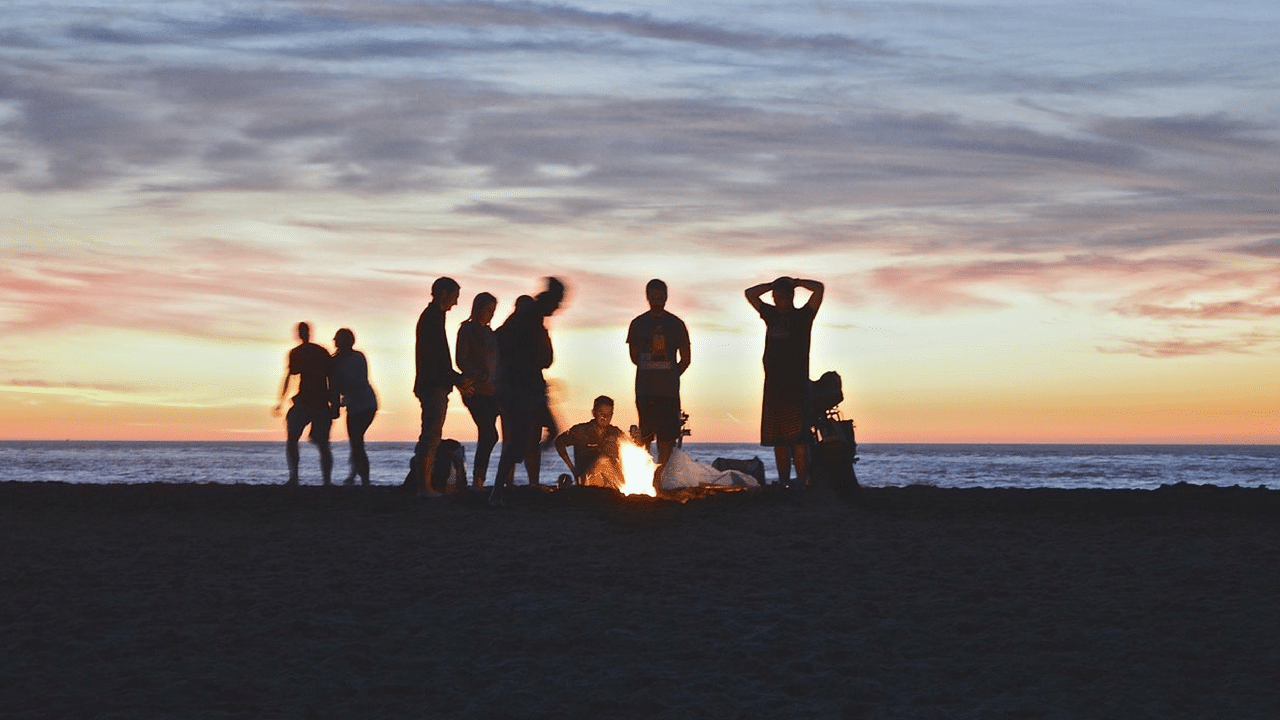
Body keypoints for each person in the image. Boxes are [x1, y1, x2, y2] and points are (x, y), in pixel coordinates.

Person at [490, 278, 566, 506]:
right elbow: (541, 357)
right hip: (521, 388)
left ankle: (520, 462)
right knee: (518, 443)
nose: (559, 308)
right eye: (558, 303)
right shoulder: (527, 319)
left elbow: (543, 357)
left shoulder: (532, 320)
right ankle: (497, 491)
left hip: (529, 387)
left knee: (550, 432)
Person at [745, 276, 824, 489]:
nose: (778, 299)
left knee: (799, 439)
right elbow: (750, 293)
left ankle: (801, 480)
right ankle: (783, 481)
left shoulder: (803, 316)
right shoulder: (770, 315)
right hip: (773, 386)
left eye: (782, 295)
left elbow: (819, 289)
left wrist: (797, 282)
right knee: (777, 439)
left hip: (796, 386)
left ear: (791, 296)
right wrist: (771, 285)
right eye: (775, 296)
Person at [407, 277, 471, 495]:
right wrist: (456, 378)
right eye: (454, 297)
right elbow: (437, 358)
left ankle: (423, 485)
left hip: (433, 382)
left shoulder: (434, 317)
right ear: (444, 293)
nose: (455, 303)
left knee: (431, 434)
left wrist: (454, 379)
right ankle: (423, 487)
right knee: (431, 435)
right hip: (433, 384)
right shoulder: (432, 317)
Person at [626, 278, 690, 488]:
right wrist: (652, 367)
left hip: (669, 392)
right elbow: (634, 357)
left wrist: (671, 374)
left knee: (667, 438)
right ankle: (644, 478)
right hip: (645, 390)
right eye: (653, 296)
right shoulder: (638, 324)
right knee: (645, 437)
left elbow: (686, 359)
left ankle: (660, 480)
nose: (657, 300)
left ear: (666, 297)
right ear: (647, 297)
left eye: (660, 296)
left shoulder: (676, 324)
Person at [274, 322, 337, 486]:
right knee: (293, 438)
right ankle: (295, 477)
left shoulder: (319, 352)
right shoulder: (297, 353)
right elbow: (290, 376)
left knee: (322, 443)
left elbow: (331, 377)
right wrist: (280, 401)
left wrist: (334, 402)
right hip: (304, 401)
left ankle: (326, 481)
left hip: (319, 402)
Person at [456, 292, 500, 489]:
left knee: (488, 434)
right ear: (478, 308)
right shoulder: (467, 330)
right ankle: (477, 480)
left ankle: (480, 481)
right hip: (475, 390)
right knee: (490, 434)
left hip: (493, 391)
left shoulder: (492, 334)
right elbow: (460, 359)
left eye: (492, 311)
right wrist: (477, 373)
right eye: (487, 309)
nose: (490, 314)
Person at [331, 328, 378, 486]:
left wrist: (342, 401)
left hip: (366, 404)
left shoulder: (358, 357)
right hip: (352, 406)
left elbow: (361, 382)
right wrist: (337, 404)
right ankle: (354, 474)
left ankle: (364, 478)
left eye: (338, 339)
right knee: (355, 441)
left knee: (357, 440)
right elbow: (334, 386)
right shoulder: (335, 361)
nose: (335, 342)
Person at [554, 395, 626, 490]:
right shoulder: (581, 431)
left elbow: (633, 449)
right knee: (603, 461)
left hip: (611, 483)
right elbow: (559, 442)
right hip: (589, 480)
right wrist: (573, 470)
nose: (605, 417)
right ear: (594, 413)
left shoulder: (616, 433)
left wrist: (636, 439)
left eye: (609, 414)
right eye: (601, 413)